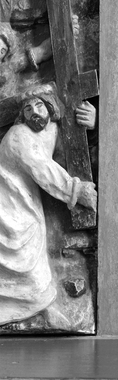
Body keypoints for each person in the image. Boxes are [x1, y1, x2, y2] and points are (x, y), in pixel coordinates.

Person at [0, 84, 97, 327]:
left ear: (50, 107)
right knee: (23, 257)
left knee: (29, 255)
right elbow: (42, 169)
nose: (34, 112)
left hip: (23, 201)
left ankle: (39, 306)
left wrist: (94, 125)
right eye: (28, 109)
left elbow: (71, 155)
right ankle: (32, 307)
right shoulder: (19, 135)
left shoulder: (51, 130)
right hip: (8, 205)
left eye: (39, 106)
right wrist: (77, 191)